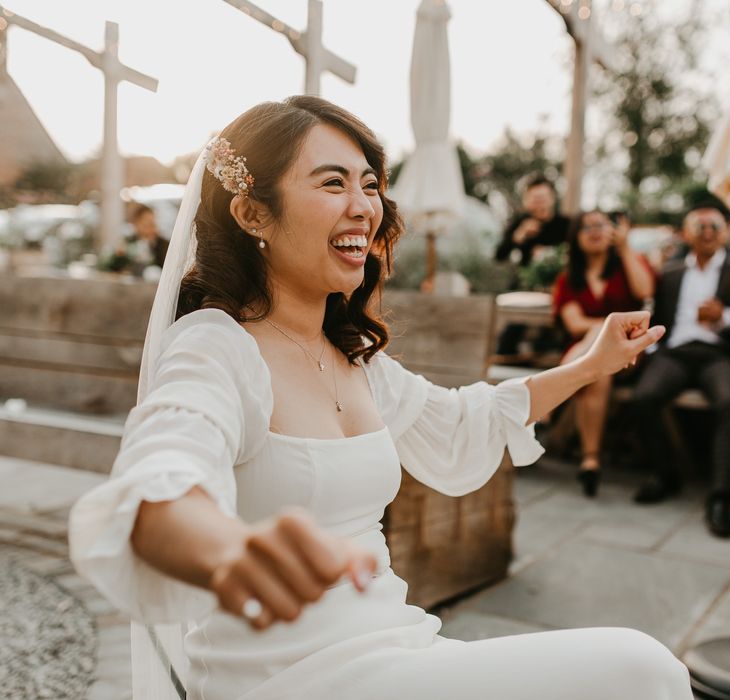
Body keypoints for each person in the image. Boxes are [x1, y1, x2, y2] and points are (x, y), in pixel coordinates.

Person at [68, 96, 692, 700]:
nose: (364, 206)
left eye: (369, 184)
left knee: (643, 673)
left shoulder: (357, 359)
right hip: (287, 677)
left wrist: (590, 364)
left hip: (401, 649)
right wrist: (226, 548)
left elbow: (459, 422)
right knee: (642, 670)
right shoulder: (215, 347)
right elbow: (166, 471)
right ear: (253, 214)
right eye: (332, 183)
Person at [631, 203, 730, 538]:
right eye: (700, 227)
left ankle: (722, 498)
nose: (708, 232)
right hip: (677, 352)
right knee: (644, 397)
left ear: (725, 232)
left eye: (714, 226)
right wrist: (649, 350)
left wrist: (723, 317)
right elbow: (657, 316)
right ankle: (665, 474)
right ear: (687, 234)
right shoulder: (670, 271)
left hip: (718, 353)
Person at [552, 210, 655, 497]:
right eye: (587, 227)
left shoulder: (629, 264)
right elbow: (574, 323)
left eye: (601, 225)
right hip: (591, 356)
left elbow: (645, 290)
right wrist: (603, 326)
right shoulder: (568, 279)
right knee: (597, 370)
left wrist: (624, 247)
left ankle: (549, 403)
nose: (595, 231)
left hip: (629, 354)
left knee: (598, 350)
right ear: (576, 237)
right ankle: (591, 461)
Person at [494, 175, 570, 355]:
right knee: (511, 331)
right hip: (525, 284)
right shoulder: (520, 222)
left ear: (552, 198)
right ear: (526, 200)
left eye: (543, 198)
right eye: (534, 199)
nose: (539, 204)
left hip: (558, 285)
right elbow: (499, 255)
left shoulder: (565, 224)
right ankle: (507, 357)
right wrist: (518, 236)